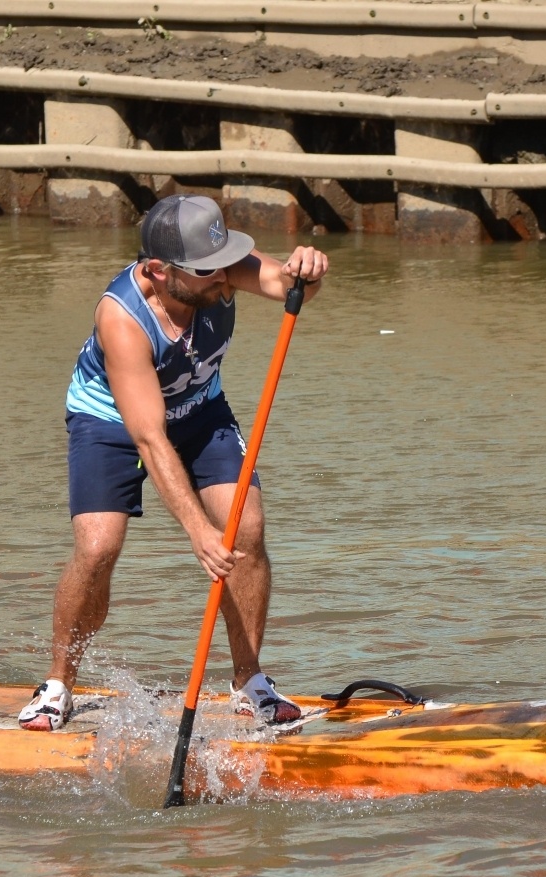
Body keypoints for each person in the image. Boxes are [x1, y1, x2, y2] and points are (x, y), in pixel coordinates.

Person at [19, 194, 329, 732]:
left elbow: (289, 285)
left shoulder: (218, 265)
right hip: (114, 424)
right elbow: (149, 438)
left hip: (201, 409)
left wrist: (310, 268)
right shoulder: (122, 319)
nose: (222, 277)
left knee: (246, 527)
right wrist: (196, 532)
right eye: (206, 271)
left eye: (224, 261)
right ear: (159, 271)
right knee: (97, 549)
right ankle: (57, 684)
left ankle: (249, 683)